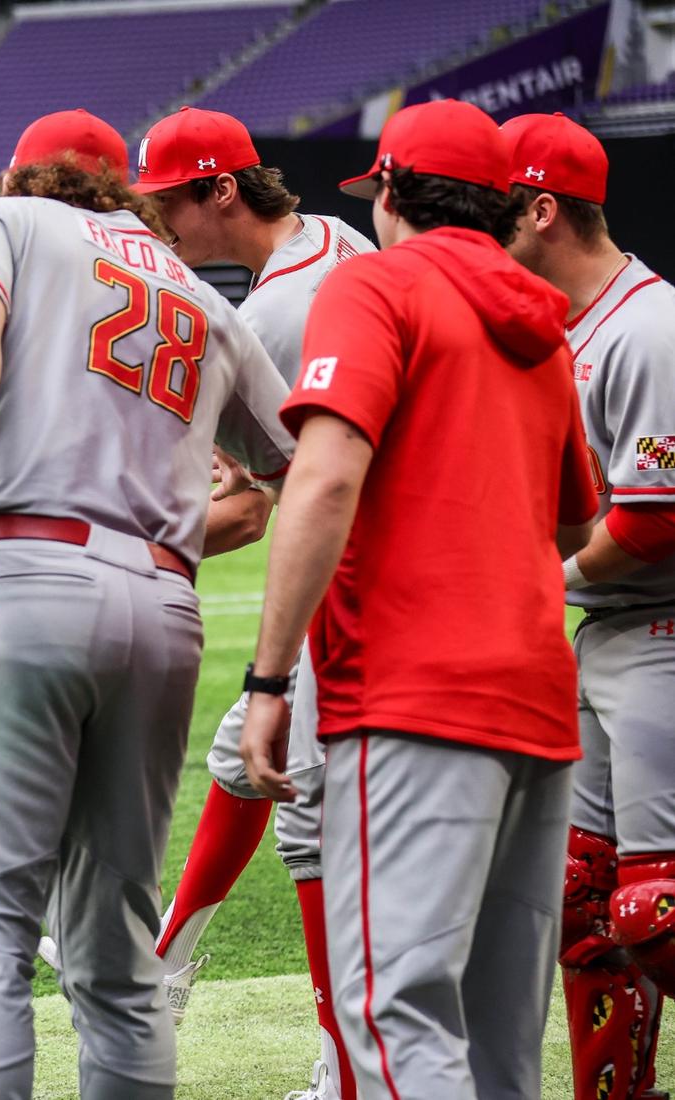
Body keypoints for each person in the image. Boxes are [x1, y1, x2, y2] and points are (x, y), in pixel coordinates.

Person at [0, 107, 295, 1099]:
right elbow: (306, 465)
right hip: (164, 602)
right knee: (120, 958)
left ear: (17, 173)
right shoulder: (203, 296)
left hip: (20, 576)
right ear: (125, 189)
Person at [237, 99, 599, 1099]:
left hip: (410, 696)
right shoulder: (545, 326)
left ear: (390, 190)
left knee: (397, 1017)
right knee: (499, 1048)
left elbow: (322, 477)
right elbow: (576, 524)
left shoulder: (375, 286)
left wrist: (269, 677)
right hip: (536, 699)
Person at [136, 104, 373, 1100]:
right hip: (372, 559)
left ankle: (347, 1065)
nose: (158, 227)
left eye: (167, 206)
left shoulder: (272, 313)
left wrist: (132, 541)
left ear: (220, 191)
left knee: (306, 813)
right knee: (247, 753)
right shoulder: (338, 239)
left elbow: (257, 506)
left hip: (358, 578)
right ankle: (164, 963)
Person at [503, 109, 675, 1100]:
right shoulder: (565, 328)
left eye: (498, 209)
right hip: (610, 633)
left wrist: (536, 583)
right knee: (585, 902)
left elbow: (655, 522)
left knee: (655, 907)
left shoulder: (646, 327)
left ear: (541, 210)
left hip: (660, 629)